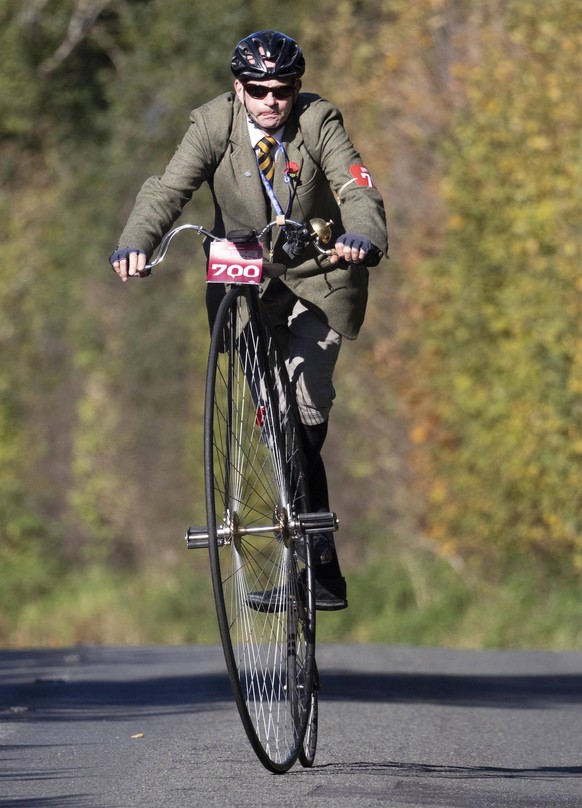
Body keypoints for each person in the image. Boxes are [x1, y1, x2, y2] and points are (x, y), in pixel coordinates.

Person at [109, 30, 388, 611]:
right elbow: (167, 191)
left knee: (306, 410)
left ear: (296, 89)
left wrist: (364, 235)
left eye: (282, 90)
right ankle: (295, 514)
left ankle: (321, 567)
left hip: (318, 277)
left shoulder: (318, 122)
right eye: (258, 90)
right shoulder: (213, 125)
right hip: (244, 281)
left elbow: (354, 184)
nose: (270, 101)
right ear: (239, 89)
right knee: (274, 418)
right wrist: (135, 243)